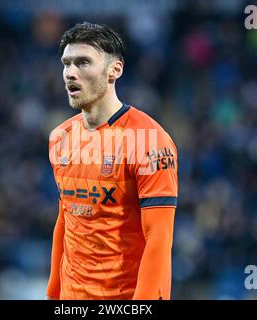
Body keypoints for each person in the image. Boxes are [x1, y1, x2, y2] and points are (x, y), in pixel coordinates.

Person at [46, 22, 178, 300]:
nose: (70, 73)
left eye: (83, 62)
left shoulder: (149, 140)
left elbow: (159, 237)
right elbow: (65, 220)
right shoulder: (60, 137)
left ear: (114, 71)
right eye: (66, 63)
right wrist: (53, 293)